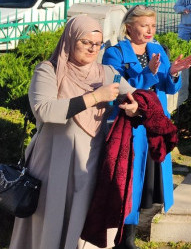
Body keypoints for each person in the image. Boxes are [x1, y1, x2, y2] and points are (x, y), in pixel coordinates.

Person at [9, 16, 138, 249]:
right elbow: (45, 110)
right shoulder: (49, 71)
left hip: (89, 161)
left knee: (82, 217)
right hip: (51, 160)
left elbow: (135, 97)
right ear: (70, 39)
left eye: (97, 44)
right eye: (85, 42)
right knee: (49, 217)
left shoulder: (107, 72)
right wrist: (96, 97)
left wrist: (134, 108)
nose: (92, 48)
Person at [103, 6, 191, 246]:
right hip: (130, 126)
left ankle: (137, 227)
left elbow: (169, 87)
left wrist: (173, 73)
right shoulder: (115, 54)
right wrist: (148, 73)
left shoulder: (157, 49)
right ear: (129, 27)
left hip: (154, 124)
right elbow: (118, 91)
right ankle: (125, 239)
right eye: (144, 25)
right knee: (131, 180)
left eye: (153, 26)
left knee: (149, 184)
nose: (150, 30)